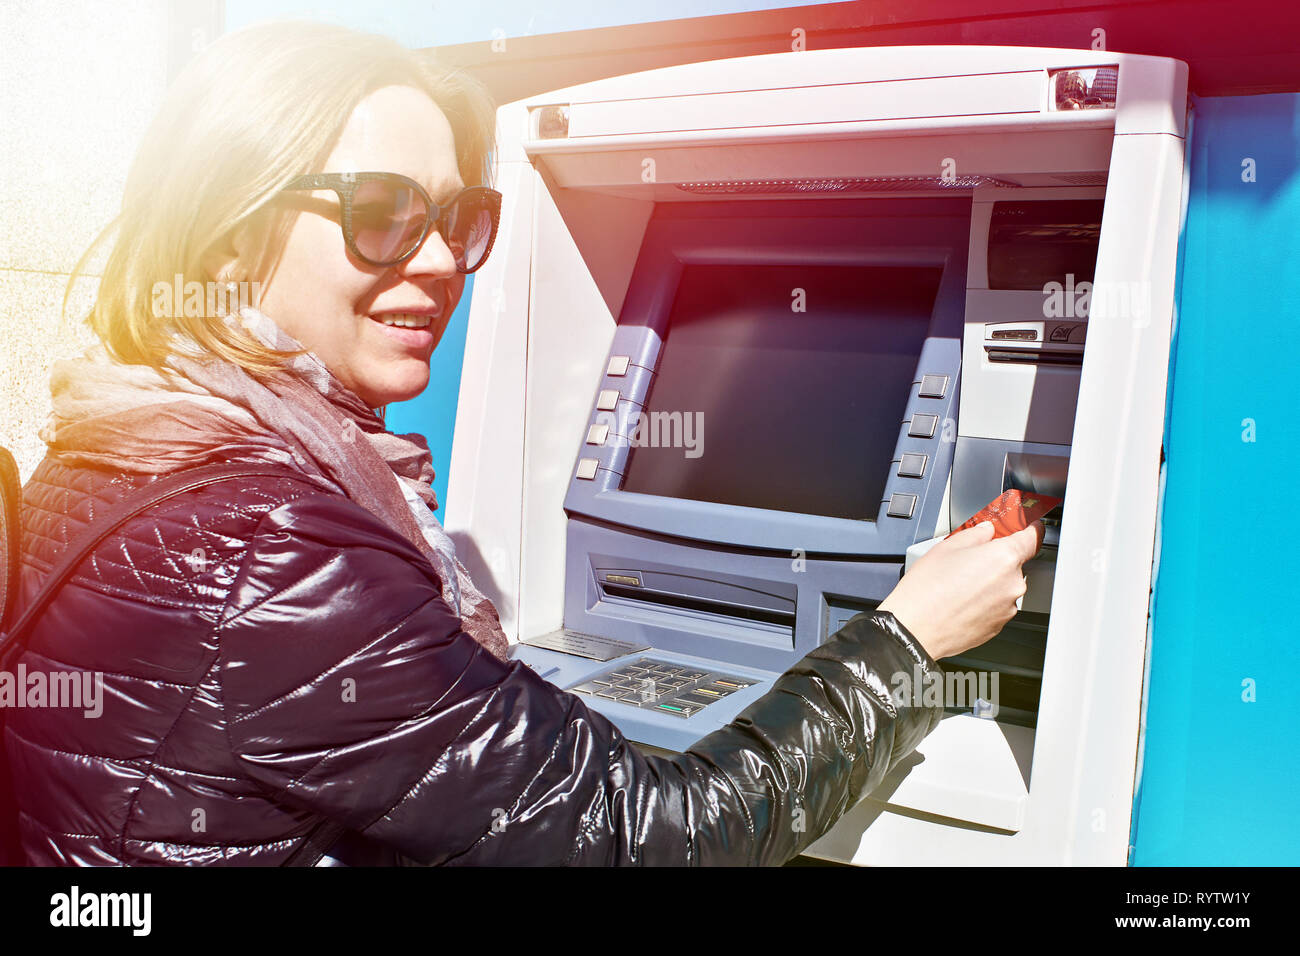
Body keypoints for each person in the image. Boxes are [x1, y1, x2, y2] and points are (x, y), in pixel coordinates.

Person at [6, 21, 1043, 866]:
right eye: (378, 212)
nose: (434, 260)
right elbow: (661, 833)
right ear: (230, 230)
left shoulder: (125, 432)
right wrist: (905, 638)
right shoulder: (282, 547)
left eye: (456, 216)